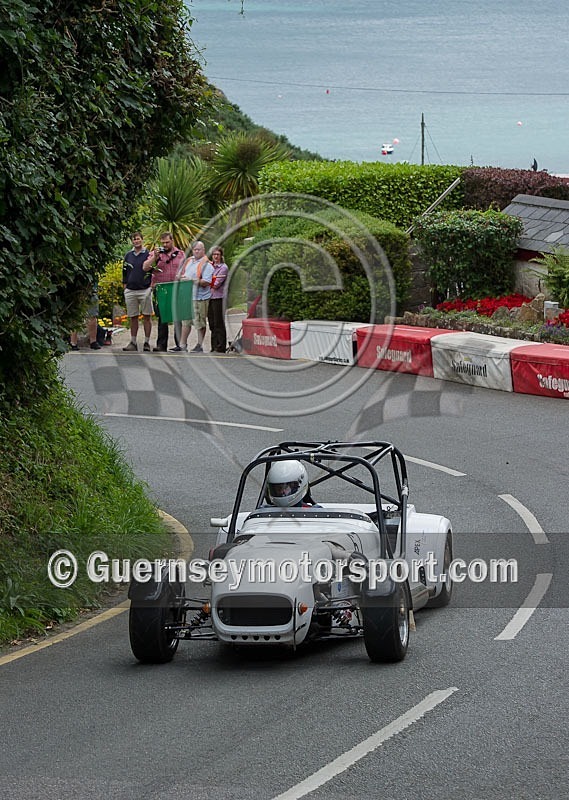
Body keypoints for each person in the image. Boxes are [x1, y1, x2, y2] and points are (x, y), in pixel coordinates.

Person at [143, 232, 185, 352]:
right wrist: (155, 258)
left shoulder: (181, 254)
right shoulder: (155, 254)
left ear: (172, 241)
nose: (165, 245)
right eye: (163, 243)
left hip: (176, 289)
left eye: (167, 242)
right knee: (162, 318)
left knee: (178, 317)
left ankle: (180, 344)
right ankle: (161, 345)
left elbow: (186, 269)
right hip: (160, 289)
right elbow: (145, 267)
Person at [176, 241, 213, 353]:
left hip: (200, 298)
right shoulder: (189, 261)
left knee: (200, 322)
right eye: (195, 249)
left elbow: (206, 282)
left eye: (199, 249)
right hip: (188, 296)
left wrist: (191, 281)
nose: (196, 251)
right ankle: (182, 345)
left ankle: (199, 345)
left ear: (204, 250)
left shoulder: (207, 265)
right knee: (185, 322)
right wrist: (181, 277)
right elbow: (184, 274)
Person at [122, 231, 151, 352]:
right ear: (132, 241)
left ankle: (146, 342)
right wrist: (125, 288)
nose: (136, 241)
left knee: (147, 316)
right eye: (134, 239)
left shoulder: (148, 254)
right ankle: (133, 342)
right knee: (133, 317)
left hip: (145, 289)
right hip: (131, 290)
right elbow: (124, 272)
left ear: (142, 239)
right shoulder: (128, 255)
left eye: (138, 239)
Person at [207, 246, 229, 353]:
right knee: (211, 322)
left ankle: (220, 346)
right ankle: (214, 345)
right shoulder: (209, 266)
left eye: (218, 254)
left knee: (218, 322)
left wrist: (205, 282)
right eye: (214, 254)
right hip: (209, 297)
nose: (215, 256)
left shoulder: (223, 268)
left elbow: (215, 284)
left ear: (221, 256)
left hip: (218, 298)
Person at [70, 283, 101, 351]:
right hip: (76, 288)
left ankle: (93, 341)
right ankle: (73, 342)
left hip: (91, 289)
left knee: (92, 316)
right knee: (75, 316)